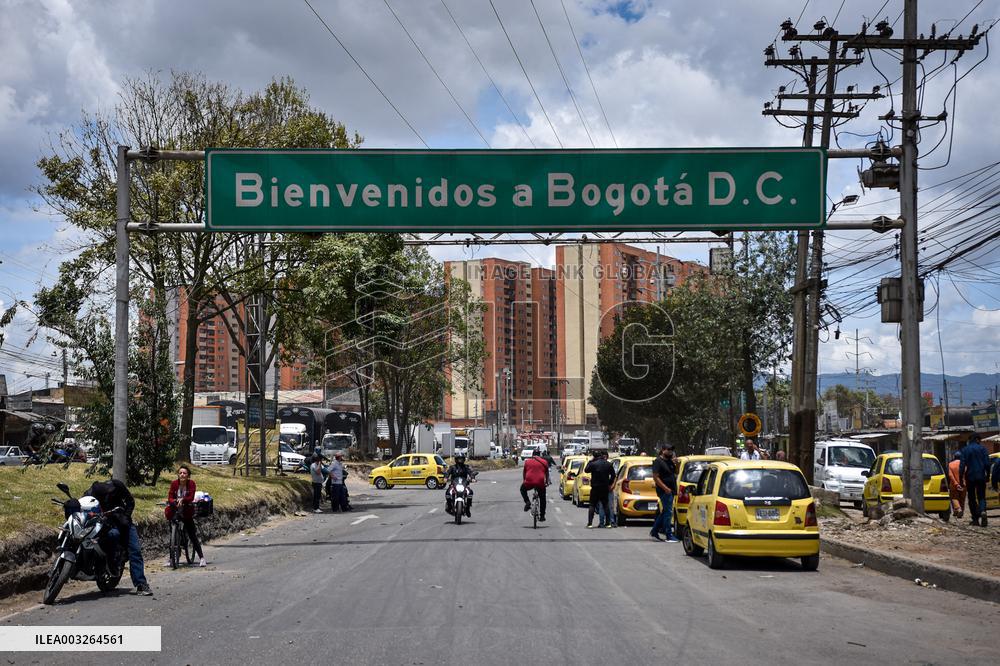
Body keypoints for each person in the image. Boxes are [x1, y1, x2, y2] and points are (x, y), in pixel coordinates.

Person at [85, 478, 152, 596]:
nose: (109, 494)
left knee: (135, 550)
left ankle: (141, 584)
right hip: (104, 522)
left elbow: (130, 501)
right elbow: (83, 504)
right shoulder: (92, 492)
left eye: (111, 492)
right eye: (106, 493)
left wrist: (126, 516)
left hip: (123, 521)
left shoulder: (117, 485)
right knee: (107, 537)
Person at [165, 465, 206, 567]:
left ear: (188, 476)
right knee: (172, 535)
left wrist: (183, 500)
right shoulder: (174, 484)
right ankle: (172, 558)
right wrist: (174, 501)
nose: (182, 475)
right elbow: (170, 496)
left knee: (192, 535)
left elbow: (191, 497)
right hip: (176, 510)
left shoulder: (191, 484)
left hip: (187, 510)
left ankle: (201, 557)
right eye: (180, 473)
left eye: (184, 473)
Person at [959, 436, 990, 527]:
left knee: (972, 498)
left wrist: (961, 478)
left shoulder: (965, 450)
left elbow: (962, 465)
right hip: (981, 476)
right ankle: (983, 511)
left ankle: (975, 519)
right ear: (977, 440)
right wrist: (987, 475)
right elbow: (987, 464)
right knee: (981, 496)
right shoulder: (983, 449)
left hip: (970, 477)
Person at [650, 444, 678, 542]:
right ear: (663, 450)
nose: (670, 452)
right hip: (665, 491)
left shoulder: (670, 462)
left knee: (666, 511)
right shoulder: (658, 462)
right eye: (668, 450)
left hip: (671, 490)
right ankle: (668, 534)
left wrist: (676, 463)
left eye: (671, 450)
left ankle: (654, 531)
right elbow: (655, 477)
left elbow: (675, 473)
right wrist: (665, 488)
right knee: (668, 513)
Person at [585, 450, 614, 528]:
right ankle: (608, 523)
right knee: (605, 505)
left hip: (595, 487)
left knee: (592, 505)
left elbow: (586, 470)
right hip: (604, 487)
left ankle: (590, 523)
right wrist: (609, 483)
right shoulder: (608, 464)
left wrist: (591, 461)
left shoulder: (593, 464)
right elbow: (613, 475)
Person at [520, 448, 549, 522]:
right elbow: (547, 474)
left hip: (529, 481)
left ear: (532, 455)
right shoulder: (544, 462)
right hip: (540, 482)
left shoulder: (527, 462)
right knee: (542, 498)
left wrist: (525, 481)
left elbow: (524, 473)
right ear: (540, 455)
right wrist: (547, 482)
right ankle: (542, 515)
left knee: (522, 489)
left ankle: (527, 502)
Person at [947, 451, 966, 520]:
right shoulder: (964, 464)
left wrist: (956, 484)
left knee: (954, 498)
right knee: (962, 499)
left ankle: (958, 509)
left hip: (954, 485)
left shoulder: (950, 464)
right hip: (964, 484)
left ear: (954, 457)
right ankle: (960, 512)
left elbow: (950, 475)